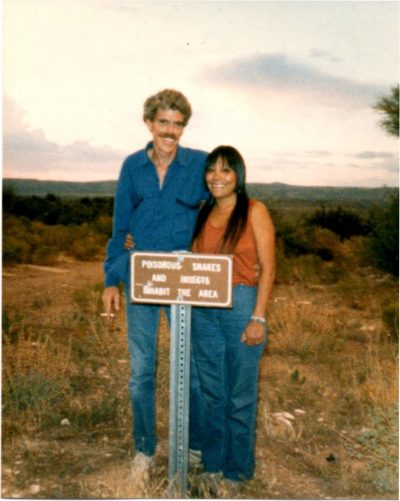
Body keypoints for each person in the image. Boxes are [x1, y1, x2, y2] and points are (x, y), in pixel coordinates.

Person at [102, 89, 208, 474]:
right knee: (142, 370)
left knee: (193, 369)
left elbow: (224, 202)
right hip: (143, 277)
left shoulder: (199, 163)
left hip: (184, 278)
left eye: (178, 124)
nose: (171, 131)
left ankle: (195, 448)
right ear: (149, 123)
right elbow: (120, 226)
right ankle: (144, 451)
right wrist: (111, 279)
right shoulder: (132, 166)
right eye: (164, 122)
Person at [190, 145, 275, 493]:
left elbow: (268, 268)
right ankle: (212, 465)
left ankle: (236, 473)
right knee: (212, 391)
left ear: (238, 176)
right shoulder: (202, 212)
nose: (217, 177)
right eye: (212, 170)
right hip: (203, 309)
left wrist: (259, 317)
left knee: (240, 393)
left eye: (226, 170)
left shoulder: (254, 211)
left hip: (242, 304)